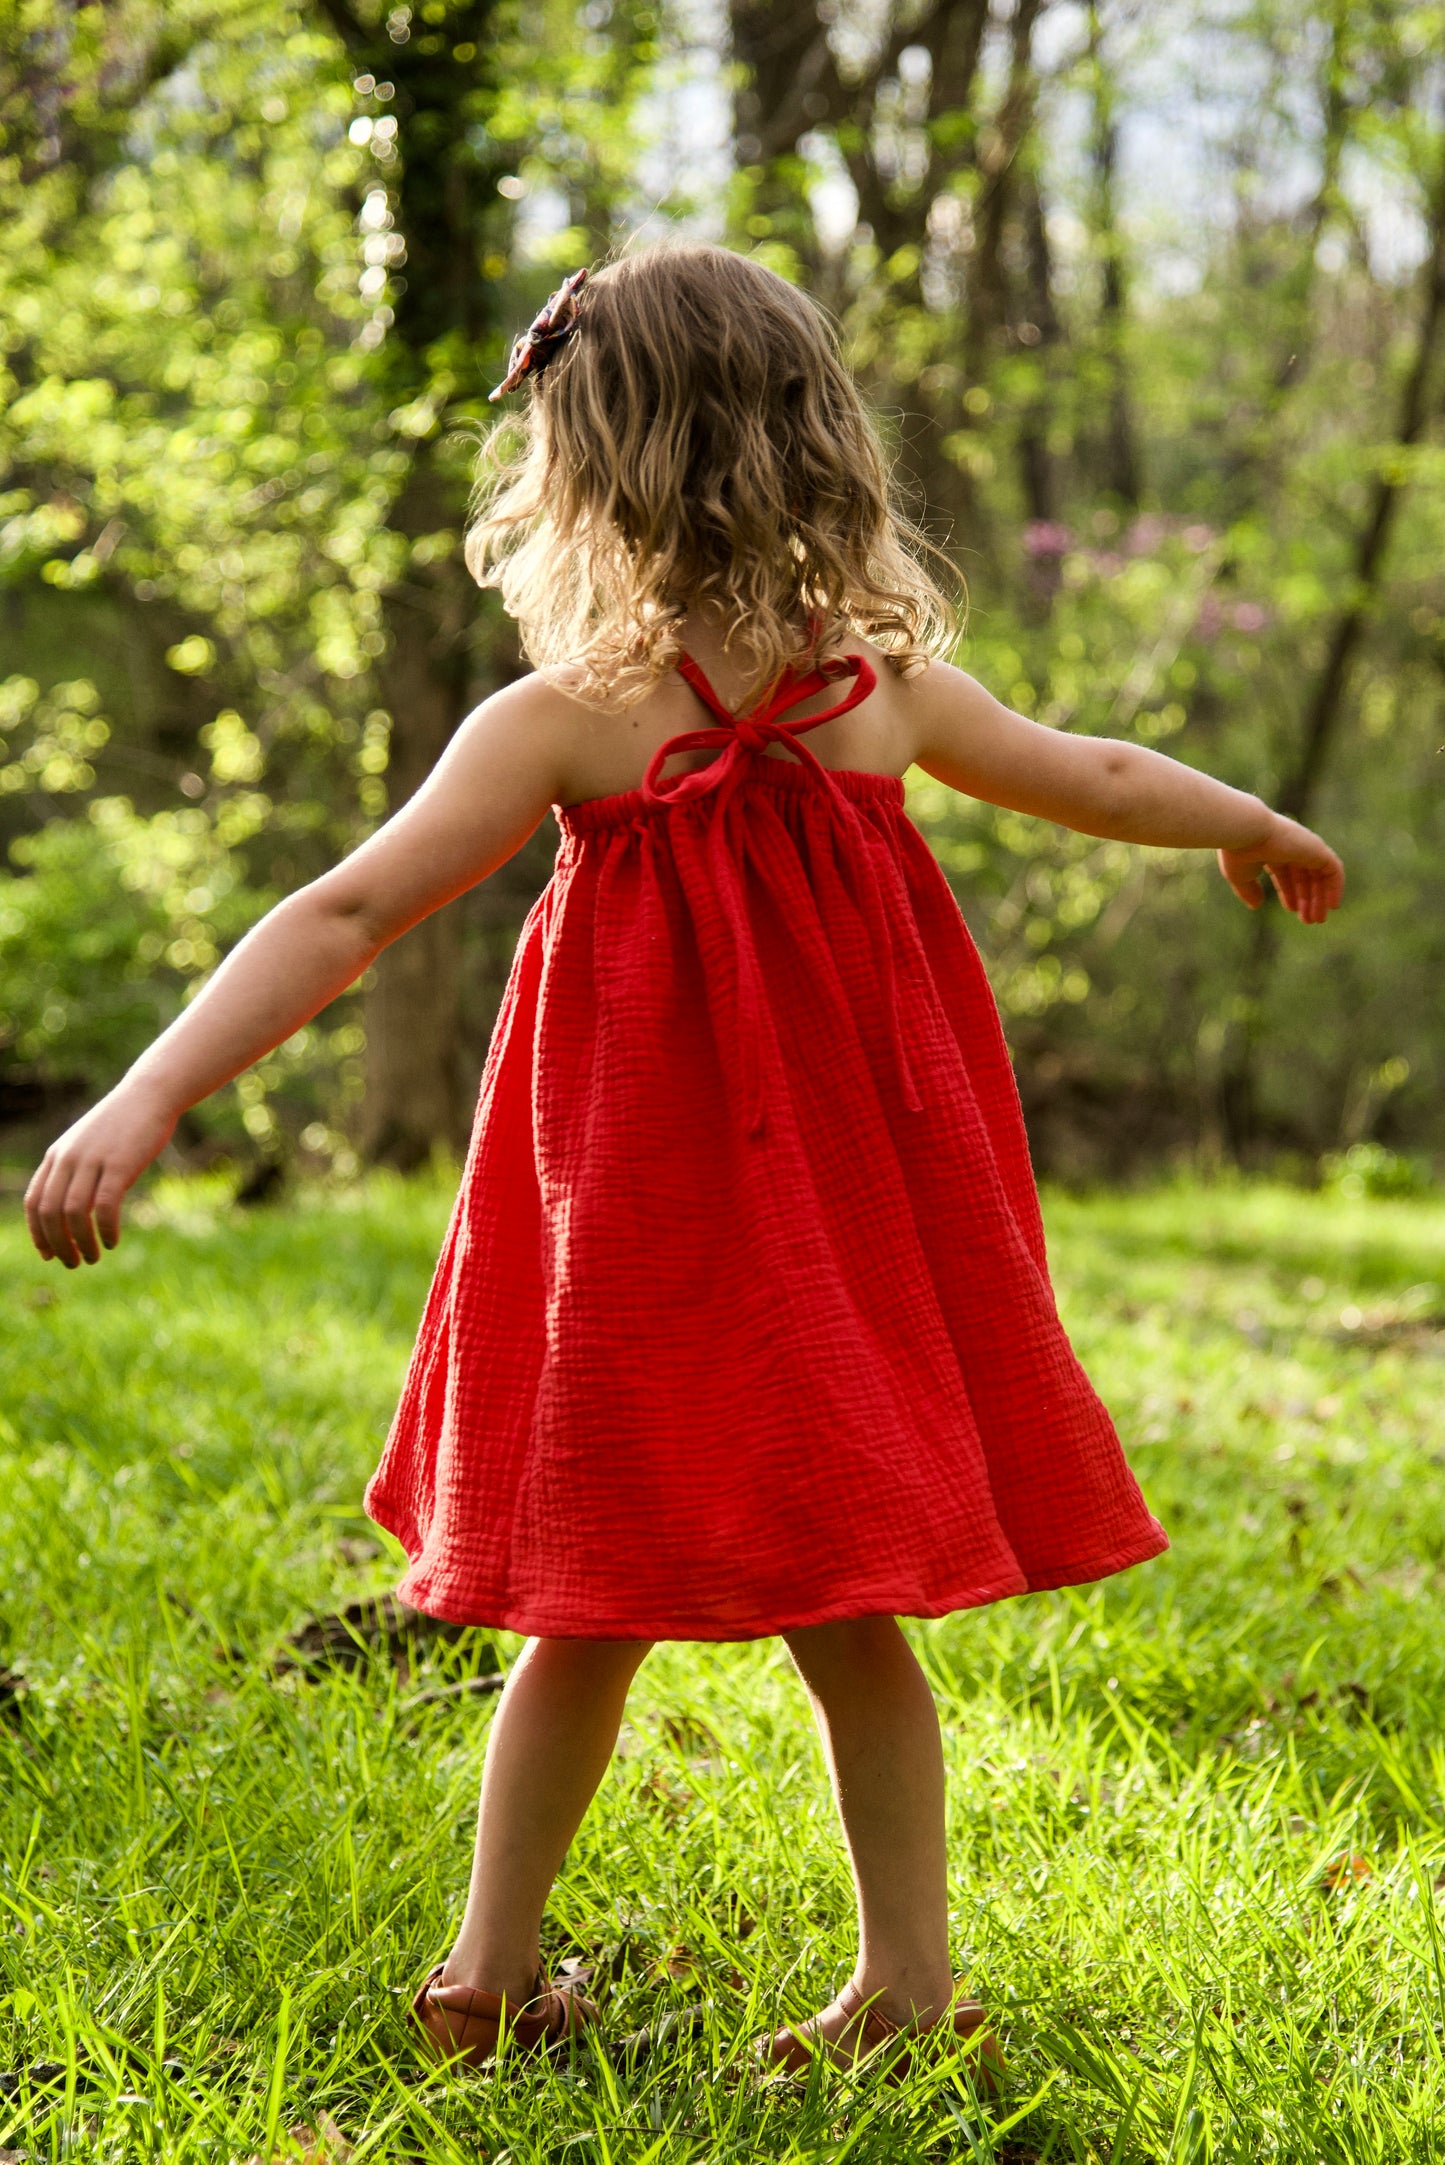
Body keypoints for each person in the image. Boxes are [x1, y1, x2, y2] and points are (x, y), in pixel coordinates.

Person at [24, 244, 1344, 2090]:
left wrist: (143, 1097)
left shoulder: (573, 716)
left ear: (590, 463)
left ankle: (490, 1969)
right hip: (787, 1236)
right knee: (839, 1595)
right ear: (814, 443)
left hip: (638, 1237)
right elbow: (1105, 771)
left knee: (593, 1589)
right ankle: (893, 1972)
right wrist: (1259, 822)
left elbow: (346, 912)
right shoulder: (867, 695)